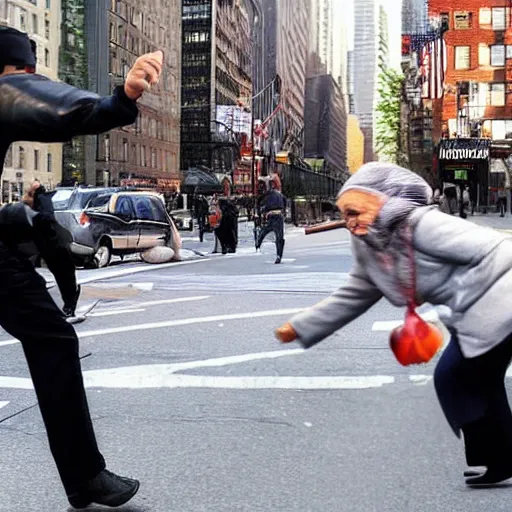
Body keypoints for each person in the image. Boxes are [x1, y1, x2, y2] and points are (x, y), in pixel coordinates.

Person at [0, 26, 163, 508]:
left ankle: (84, 476)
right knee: (52, 339)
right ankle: (84, 475)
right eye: (24, 73)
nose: (29, 82)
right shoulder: (6, 89)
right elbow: (48, 105)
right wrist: (122, 98)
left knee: (50, 333)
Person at [276, 162, 512, 487]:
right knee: (480, 380)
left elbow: (499, 248)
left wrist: (468, 296)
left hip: (497, 303)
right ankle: (498, 460)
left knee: (454, 376)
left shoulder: (422, 225)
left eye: (355, 211)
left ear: (380, 202)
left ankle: (498, 458)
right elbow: (356, 292)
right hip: (476, 316)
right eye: (344, 214)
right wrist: (301, 327)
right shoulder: (371, 245)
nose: (349, 221)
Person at [255, 179, 286, 264]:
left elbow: (261, 202)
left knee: (264, 230)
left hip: (271, 215)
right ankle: (279, 255)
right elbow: (285, 201)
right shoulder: (280, 194)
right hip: (279, 216)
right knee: (279, 237)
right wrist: (284, 211)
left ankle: (258, 243)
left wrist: (260, 212)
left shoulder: (267, 195)